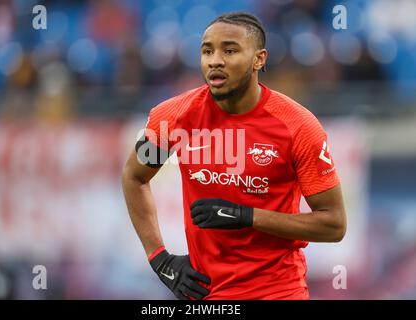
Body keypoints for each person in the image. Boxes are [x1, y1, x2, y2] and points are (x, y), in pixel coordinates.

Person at [122, 12, 347, 300]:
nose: (215, 60)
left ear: (259, 59)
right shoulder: (172, 118)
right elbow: (134, 176)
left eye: (229, 50)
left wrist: (247, 216)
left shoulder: (298, 126)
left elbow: (334, 224)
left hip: (278, 291)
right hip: (206, 295)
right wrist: (159, 258)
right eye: (207, 51)